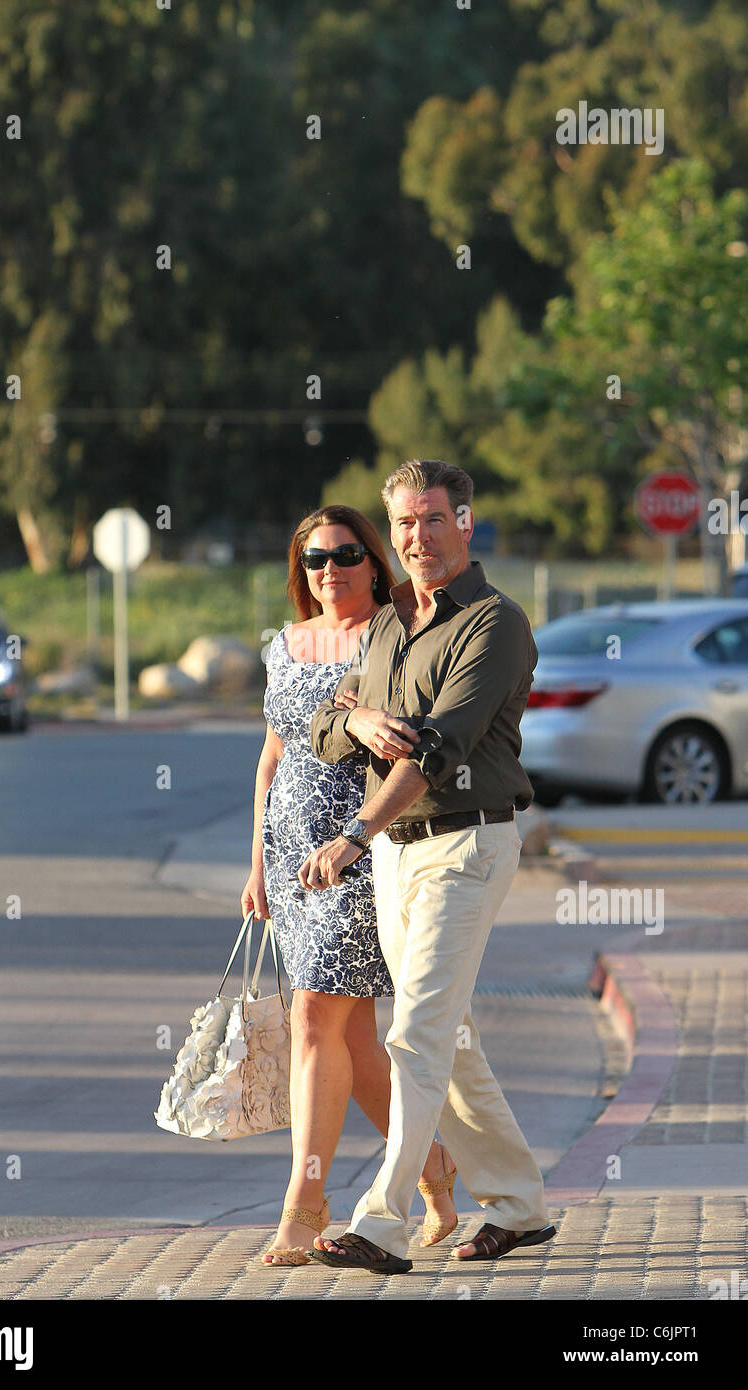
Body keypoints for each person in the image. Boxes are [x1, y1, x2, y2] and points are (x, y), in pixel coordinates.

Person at [301, 460, 556, 1275]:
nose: (418, 538)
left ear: (466, 522)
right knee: (451, 1039)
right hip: (397, 859)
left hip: (466, 845)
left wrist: (352, 833)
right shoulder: (383, 625)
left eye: (434, 519)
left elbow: (440, 750)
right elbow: (322, 725)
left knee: (414, 1035)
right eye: (404, 523)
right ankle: (517, 1204)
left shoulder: (495, 623)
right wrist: (367, 719)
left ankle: (382, 1221)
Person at [242, 504, 458, 1266]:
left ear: (374, 560)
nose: (329, 570)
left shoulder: (395, 634)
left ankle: (304, 1206)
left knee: (313, 1021)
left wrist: (356, 828)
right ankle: (431, 1167)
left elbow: (413, 738)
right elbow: (271, 758)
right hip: (290, 860)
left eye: (344, 555)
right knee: (353, 1040)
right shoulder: (285, 644)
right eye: (313, 560)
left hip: (359, 848)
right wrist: (256, 862)